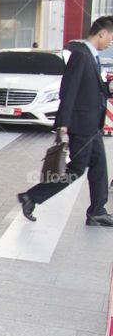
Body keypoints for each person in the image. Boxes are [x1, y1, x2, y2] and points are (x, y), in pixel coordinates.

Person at [18, 16, 113, 227]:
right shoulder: (81, 55)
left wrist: (107, 89)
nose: (110, 43)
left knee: (99, 168)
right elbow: (68, 90)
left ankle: (97, 211)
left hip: (91, 125)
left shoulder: (91, 56)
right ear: (102, 33)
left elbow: (90, 90)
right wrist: (62, 125)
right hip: (81, 125)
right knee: (76, 169)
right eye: (111, 38)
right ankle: (31, 197)